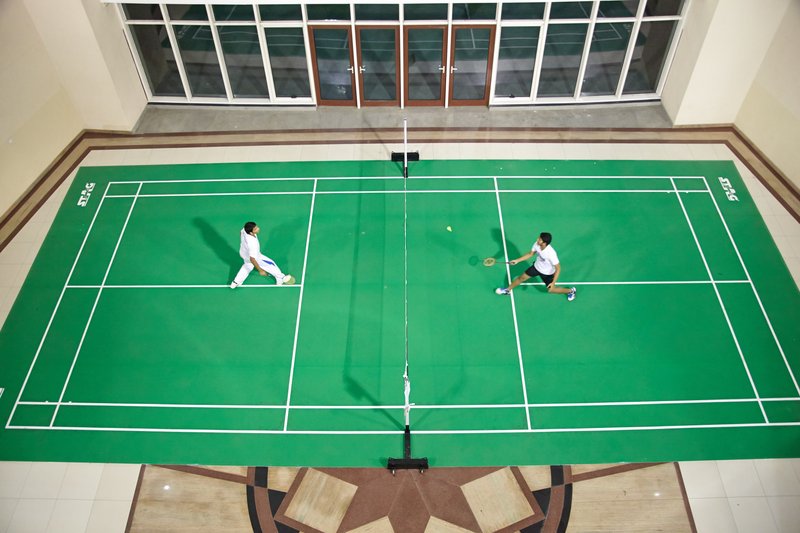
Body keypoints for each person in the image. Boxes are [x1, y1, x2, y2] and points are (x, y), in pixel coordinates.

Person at [495, 232, 576, 301]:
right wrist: (517, 260)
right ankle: (507, 290)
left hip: (547, 273)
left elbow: (558, 268)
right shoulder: (537, 244)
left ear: (544, 243)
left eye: (540, 239)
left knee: (551, 290)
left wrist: (553, 282)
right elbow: (530, 254)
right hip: (536, 267)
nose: (537, 239)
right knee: (521, 278)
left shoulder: (551, 253)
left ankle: (570, 291)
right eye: (539, 238)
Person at [230, 221, 289, 288]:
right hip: (253, 256)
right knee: (270, 263)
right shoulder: (252, 243)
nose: (258, 228)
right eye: (255, 229)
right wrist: (260, 270)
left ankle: (235, 282)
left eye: (256, 227)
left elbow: (241, 232)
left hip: (243, 253)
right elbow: (252, 259)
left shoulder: (245, 230)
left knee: (248, 266)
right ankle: (280, 277)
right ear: (251, 232)